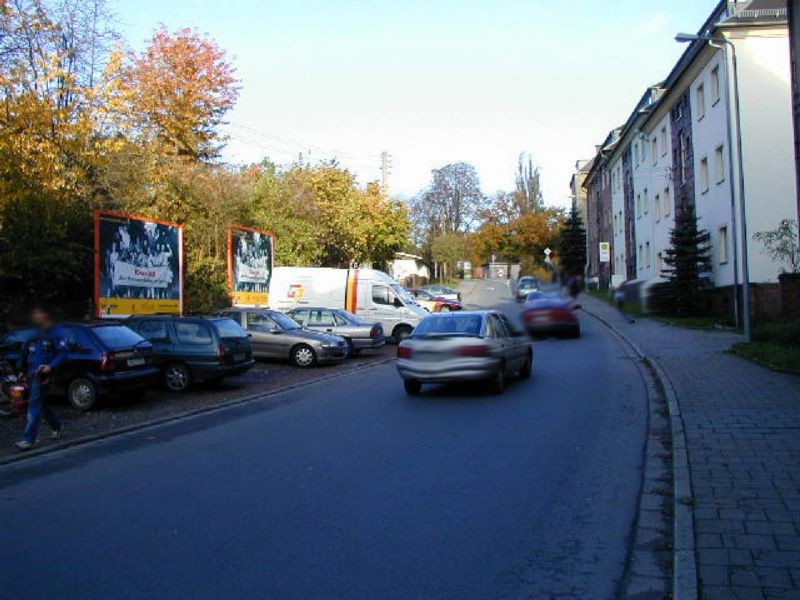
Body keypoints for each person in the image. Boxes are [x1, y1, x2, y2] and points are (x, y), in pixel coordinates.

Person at [15, 307, 66, 451]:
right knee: (41, 405)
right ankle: (57, 425)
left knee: (33, 406)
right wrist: (22, 370)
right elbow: (25, 351)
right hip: (31, 373)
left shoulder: (55, 332)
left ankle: (28, 439)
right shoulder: (35, 333)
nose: (36, 316)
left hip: (42, 375)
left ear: (46, 314)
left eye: (38, 313)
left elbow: (63, 353)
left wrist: (51, 366)